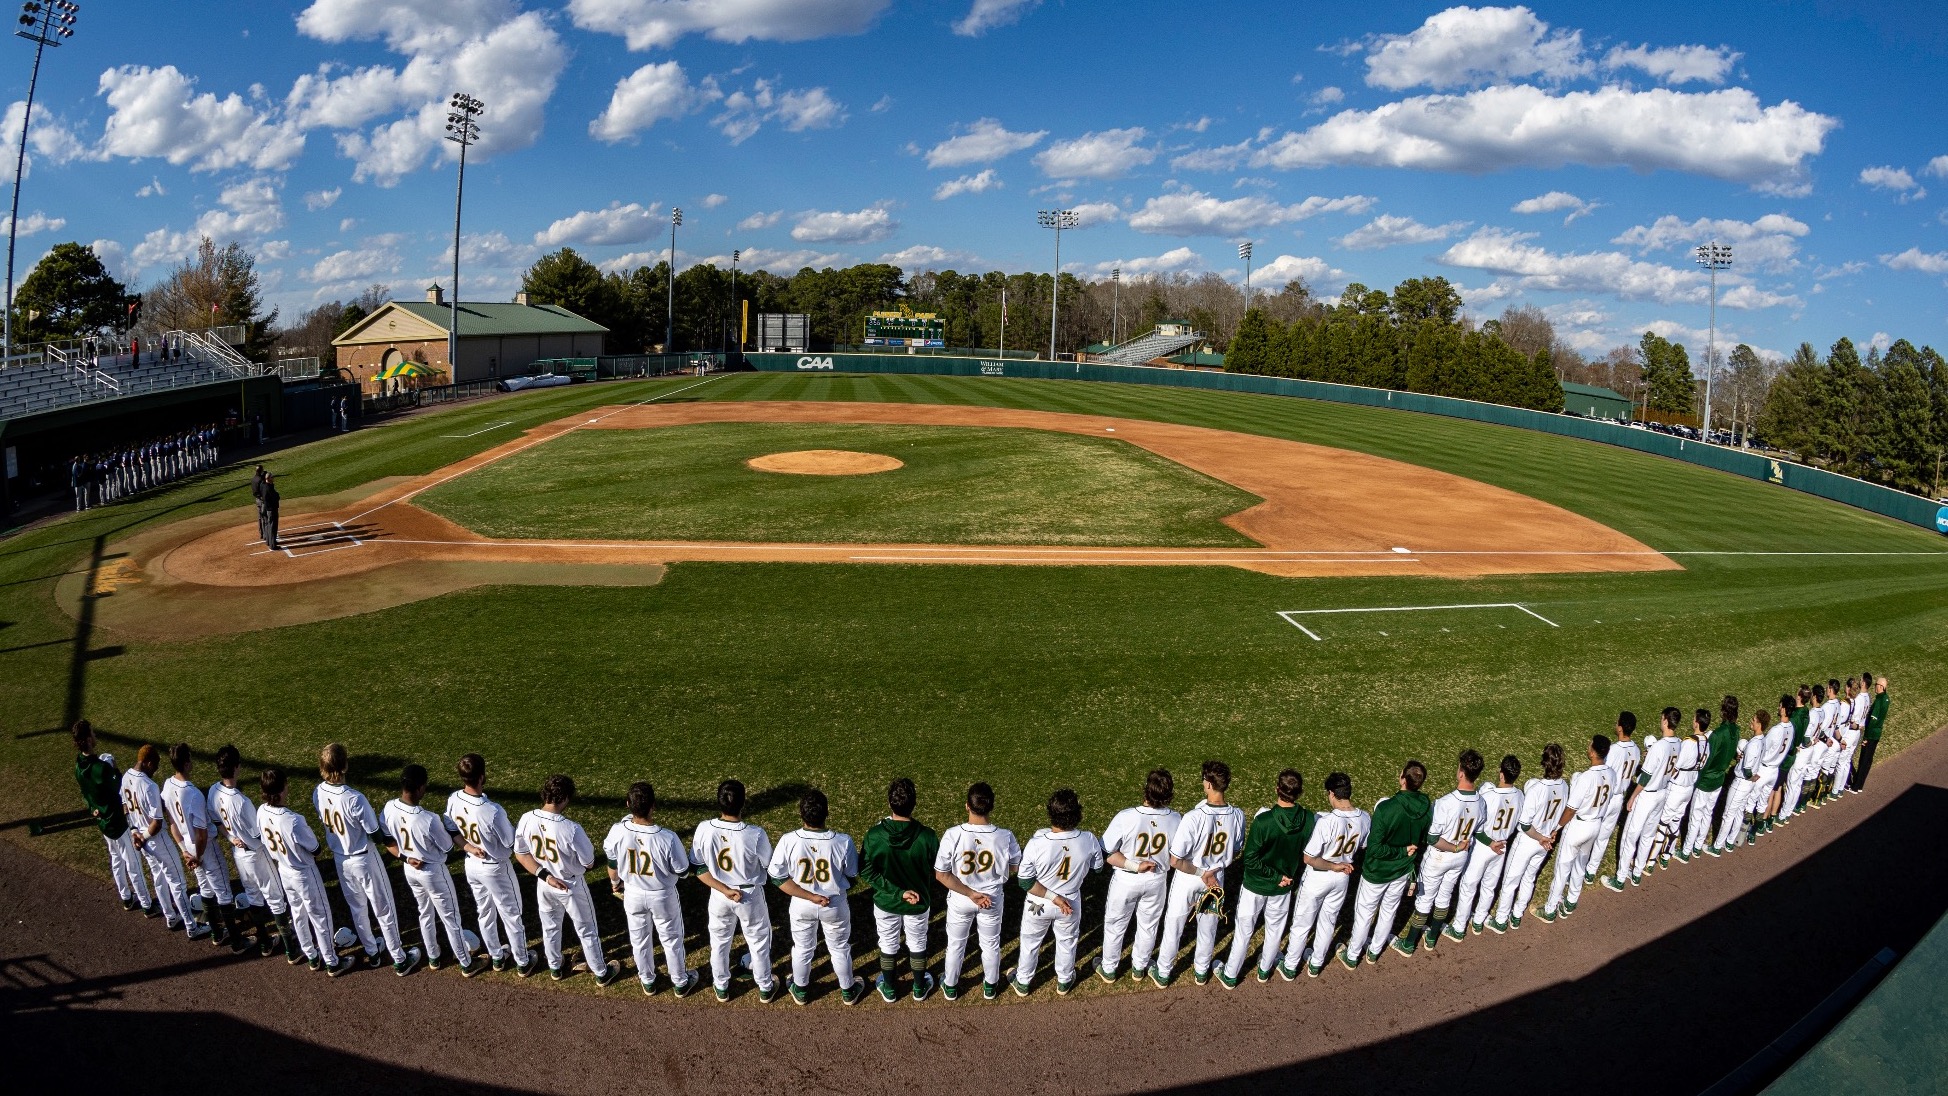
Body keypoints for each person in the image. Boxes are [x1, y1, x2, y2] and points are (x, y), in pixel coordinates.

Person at [315, 743, 419, 975]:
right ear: (345, 766)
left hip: (340, 859)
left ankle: (372, 953)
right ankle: (400, 959)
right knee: (384, 908)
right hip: (364, 858)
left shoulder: (317, 792)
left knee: (357, 908)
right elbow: (374, 833)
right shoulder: (355, 798)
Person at [515, 774, 621, 985]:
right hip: (571, 885)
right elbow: (589, 862)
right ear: (564, 798)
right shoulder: (571, 829)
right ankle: (601, 972)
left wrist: (544, 875)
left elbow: (521, 853)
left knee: (550, 926)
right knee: (587, 929)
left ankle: (555, 967)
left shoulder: (526, 818)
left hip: (544, 883)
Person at [768, 788, 864, 1005]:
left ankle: (800, 989)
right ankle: (848, 990)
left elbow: (776, 878)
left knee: (802, 948)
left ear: (801, 814)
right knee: (839, 948)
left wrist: (810, 896)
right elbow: (852, 872)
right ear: (827, 813)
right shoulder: (843, 841)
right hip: (834, 903)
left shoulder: (788, 840)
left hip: (801, 903)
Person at [447, 753, 540, 977]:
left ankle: (497, 957)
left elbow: (451, 831)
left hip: (472, 865)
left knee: (485, 912)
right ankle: (522, 961)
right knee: (511, 914)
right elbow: (511, 843)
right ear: (481, 776)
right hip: (496, 867)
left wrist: (468, 847)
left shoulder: (453, 799)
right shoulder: (492, 810)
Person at [382, 764, 478, 976]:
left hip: (409, 869)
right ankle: (466, 963)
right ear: (418, 788)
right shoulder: (429, 819)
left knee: (424, 913)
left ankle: (434, 957)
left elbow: (387, 839)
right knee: (451, 918)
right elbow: (447, 846)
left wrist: (405, 857)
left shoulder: (388, 808)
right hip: (434, 872)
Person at [1155, 760, 1244, 987]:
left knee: (1175, 923)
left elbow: (1176, 860)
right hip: (1216, 878)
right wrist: (1213, 871)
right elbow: (1235, 850)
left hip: (1190, 877)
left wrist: (1202, 871)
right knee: (1208, 926)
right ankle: (1202, 971)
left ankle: (1164, 972)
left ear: (1209, 785)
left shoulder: (1193, 817)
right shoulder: (1238, 815)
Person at [690, 779, 778, 1003]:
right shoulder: (755, 834)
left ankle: (721, 986)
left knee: (719, 942)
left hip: (719, 894)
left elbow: (698, 867)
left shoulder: (703, 828)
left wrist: (724, 889)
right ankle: (765, 986)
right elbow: (772, 865)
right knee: (758, 941)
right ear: (743, 803)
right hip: (749, 896)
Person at [1221, 768, 1311, 987]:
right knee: (1275, 930)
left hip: (1256, 885)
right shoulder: (1309, 819)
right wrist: (1281, 876)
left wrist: (1273, 876)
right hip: (1284, 886)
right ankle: (1264, 971)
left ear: (1277, 789)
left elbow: (1250, 859)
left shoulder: (1264, 821)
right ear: (1298, 793)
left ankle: (1231, 974)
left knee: (1244, 931)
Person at [603, 780, 694, 996]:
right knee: (671, 939)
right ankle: (680, 983)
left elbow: (612, 864)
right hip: (662, 895)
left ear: (628, 804)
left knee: (639, 940)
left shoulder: (617, 831)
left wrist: (615, 884)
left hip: (632, 893)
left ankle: (648, 981)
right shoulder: (667, 837)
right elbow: (683, 871)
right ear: (654, 805)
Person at [257, 766, 350, 975]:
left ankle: (311, 956)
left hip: (284, 871)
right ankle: (332, 962)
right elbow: (315, 849)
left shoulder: (261, 811)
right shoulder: (293, 820)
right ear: (281, 790)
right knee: (320, 916)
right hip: (303, 873)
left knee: (297, 914)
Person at [933, 781, 1020, 1001]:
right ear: (991, 806)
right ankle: (990, 986)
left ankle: (951, 986)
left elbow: (941, 875)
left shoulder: (953, 834)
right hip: (991, 898)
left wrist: (970, 893)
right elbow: (1015, 867)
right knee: (990, 943)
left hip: (961, 898)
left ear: (967, 806)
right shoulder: (1005, 836)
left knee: (956, 943)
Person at [1012, 788, 1103, 996]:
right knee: (1067, 941)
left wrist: (1053, 896)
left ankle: (1023, 982)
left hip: (1038, 904)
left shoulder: (1037, 842)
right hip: (1070, 901)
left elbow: (1025, 882)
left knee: (1030, 942)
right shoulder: (1088, 839)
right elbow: (1098, 869)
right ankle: (1064, 980)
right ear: (1077, 814)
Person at [1341, 760, 1431, 968]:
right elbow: (1424, 836)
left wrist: (1399, 850)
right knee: (1389, 910)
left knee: (1364, 913)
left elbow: (1374, 848)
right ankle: (1374, 952)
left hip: (1377, 871)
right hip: (1402, 870)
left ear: (1402, 778)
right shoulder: (1427, 807)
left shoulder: (1386, 808)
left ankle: (1353, 955)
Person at [859, 778, 940, 1003]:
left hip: (886, 901)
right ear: (914, 804)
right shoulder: (928, 836)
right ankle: (918, 988)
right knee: (917, 942)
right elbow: (939, 869)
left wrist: (895, 892)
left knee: (887, 942)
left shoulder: (874, 835)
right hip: (919, 901)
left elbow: (865, 871)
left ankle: (890, 988)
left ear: (889, 803)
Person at [1279, 772, 1366, 978]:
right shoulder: (1364, 817)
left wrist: (1332, 865)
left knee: (1303, 922)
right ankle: (1316, 963)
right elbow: (1363, 845)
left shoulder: (1326, 821)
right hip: (1343, 877)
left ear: (1332, 793)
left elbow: (1309, 858)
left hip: (1319, 877)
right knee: (1328, 920)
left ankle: (1290, 966)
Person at [1096, 768, 1179, 983]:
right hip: (1157, 880)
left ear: (1146, 790)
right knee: (1148, 925)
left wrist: (1134, 865)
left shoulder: (1126, 817)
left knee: (1115, 924)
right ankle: (1139, 968)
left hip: (1126, 880)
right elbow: (1178, 854)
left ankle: (1109, 968)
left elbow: (1107, 853)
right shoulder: (1175, 818)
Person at [208, 745, 291, 958]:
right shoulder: (242, 801)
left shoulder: (213, 791)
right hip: (255, 855)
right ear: (236, 768)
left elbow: (216, 821)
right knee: (275, 897)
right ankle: (289, 946)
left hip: (239, 855)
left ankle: (264, 942)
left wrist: (230, 838)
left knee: (253, 896)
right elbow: (256, 836)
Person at [1397, 750, 1484, 954]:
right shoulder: (1481, 802)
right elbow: (1478, 830)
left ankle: (1409, 943)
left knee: (1425, 898)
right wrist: (1460, 847)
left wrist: (1453, 846)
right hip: (1460, 857)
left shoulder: (1445, 803)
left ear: (1461, 772)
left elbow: (1433, 838)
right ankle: (1432, 937)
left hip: (1439, 856)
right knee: (1445, 895)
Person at [121, 744, 206, 939]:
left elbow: (125, 806)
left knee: (158, 877)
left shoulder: (125, 777)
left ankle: (171, 916)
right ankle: (191, 926)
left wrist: (135, 831)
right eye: (155, 766)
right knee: (177, 882)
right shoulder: (149, 785)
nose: (156, 770)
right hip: (156, 840)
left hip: (141, 840)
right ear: (148, 762)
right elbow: (157, 822)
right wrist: (144, 836)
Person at [162, 743, 240, 949]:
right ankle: (237, 942)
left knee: (205, 887)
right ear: (187, 763)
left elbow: (171, 822)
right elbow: (202, 834)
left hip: (188, 846)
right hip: (204, 848)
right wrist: (197, 855)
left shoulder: (167, 786)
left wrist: (185, 851)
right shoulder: (194, 794)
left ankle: (216, 933)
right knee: (223, 891)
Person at [71, 720, 151, 915]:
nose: (95, 735)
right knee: (133, 863)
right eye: (93, 733)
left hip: (103, 823)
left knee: (116, 859)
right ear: (89, 739)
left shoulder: (78, 766)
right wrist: (114, 768)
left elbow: (84, 793)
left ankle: (126, 897)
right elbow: (121, 788)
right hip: (118, 822)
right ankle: (147, 904)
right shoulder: (101, 768)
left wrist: (92, 808)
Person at [1491, 745, 1569, 932]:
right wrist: (1551, 834)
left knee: (1511, 880)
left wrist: (1541, 837)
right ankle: (1517, 915)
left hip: (1529, 840)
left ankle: (1501, 920)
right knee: (1529, 878)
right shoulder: (1565, 786)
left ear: (1544, 763)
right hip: (1545, 842)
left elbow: (1525, 825)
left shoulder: (1536, 789)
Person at [1540, 736, 1615, 922]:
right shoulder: (1612, 773)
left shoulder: (1586, 777)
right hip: (1596, 824)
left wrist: (1556, 827)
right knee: (1581, 864)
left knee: (1562, 868)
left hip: (1578, 826)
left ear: (1593, 752)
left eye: (1590, 745)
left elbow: (1571, 809)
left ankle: (1550, 910)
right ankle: (1571, 901)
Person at [1449, 753, 1523, 938]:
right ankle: (1479, 921)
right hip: (1502, 847)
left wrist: (1490, 842)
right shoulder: (1520, 795)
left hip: (1484, 846)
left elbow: (1477, 828)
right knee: (1490, 886)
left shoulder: (1488, 796)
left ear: (1501, 773)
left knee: (1468, 885)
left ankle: (1459, 928)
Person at [1610, 708, 1681, 888]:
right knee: (1648, 834)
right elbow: (1674, 770)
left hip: (1647, 795)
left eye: (1661, 718)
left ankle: (1620, 878)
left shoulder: (1659, 746)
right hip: (1663, 793)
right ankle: (1637, 873)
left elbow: (1645, 777)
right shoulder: (1679, 743)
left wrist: (1633, 796)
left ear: (1665, 721)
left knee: (1630, 835)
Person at [1586, 712, 1641, 887]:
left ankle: (1583, 869)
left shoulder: (1614, 750)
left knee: (1591, 832)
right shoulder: (1637, 749)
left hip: (1606, 797)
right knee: (1603, 837)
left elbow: (1602, 772)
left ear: (1620, 727)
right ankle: (1591, 871)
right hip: (1619, 799)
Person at [1689, 697, 1740, 856]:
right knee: (1707, 814)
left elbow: (1706, 761)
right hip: (1719, 779)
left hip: (1706, 781)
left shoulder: (1717, 734)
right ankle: (1698, 846)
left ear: (1723, 711)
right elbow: (1733, 753)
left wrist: (1696, 781)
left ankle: (1686, 851)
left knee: (1695, 817)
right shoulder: (1736, 731)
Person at [1834, 674, 1871, 798]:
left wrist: (1854, 725)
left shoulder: (1858, 699)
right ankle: (1840, 788)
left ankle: (1836, 790)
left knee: (1842, 762)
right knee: (1846, 761)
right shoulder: (1867, 698)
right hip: (1857, 734)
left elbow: (1853, 721)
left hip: (1851, 733)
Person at [1853, 676, 1889, 792]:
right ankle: (1860, 785)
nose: (1875, 687)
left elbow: (1873, 720)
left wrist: (1866, 737)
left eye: (1876, 685)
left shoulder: (1879, 700)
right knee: (1868, 761)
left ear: (1881, 687)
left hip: (1871, 734)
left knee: (1864, 760)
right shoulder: (1886, 699)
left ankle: (1856, 786)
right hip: (1877, 734)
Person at [260, 472, 281, 551]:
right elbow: (275, 497)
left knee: (268, 525)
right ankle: (272, 545)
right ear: (268, 478)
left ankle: (269, 541)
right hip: (271, 509)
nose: (273, 478)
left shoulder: (263, 485)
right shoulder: (269, 488)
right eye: (272, 477)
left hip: (266, 508)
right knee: (273, 526)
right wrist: (277, 495)